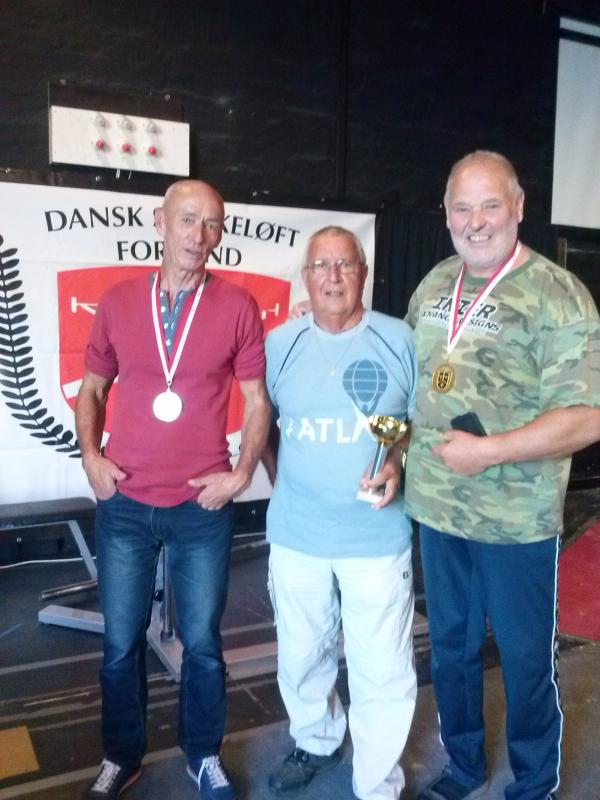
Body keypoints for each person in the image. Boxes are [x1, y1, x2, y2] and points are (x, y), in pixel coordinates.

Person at [405, 151, 600, 800]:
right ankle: (463, 768)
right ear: (446, 215)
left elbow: (587, 418)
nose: (476, 221)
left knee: (523, 657)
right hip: (438, 511)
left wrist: (489, 452)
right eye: (462, 207)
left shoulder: (557, 295)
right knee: (451, 652)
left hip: (516, 520)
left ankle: (534, 784)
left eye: (491, 205)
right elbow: (409, 383)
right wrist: (391, 462)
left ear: (518, 207)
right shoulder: (436, 283)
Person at [75, 179, 271, 800]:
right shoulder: (118, 300)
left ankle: (204, 755)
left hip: (200, 507)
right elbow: (92, 389)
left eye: (212, 223)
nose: (199, 235)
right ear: (160, 223)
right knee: (119, 643)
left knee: (204, 645)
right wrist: (90, 456)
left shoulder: (237, 305)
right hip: (126, 503)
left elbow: (258, 401)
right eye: (188, 220)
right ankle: (120, 756)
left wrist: (241, 473)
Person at [263, 226, 418, 800]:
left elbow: (409, 422)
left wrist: (395, 460)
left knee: (383, 666)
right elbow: (264, 421)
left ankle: (377, 782)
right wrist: (285, 484)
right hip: (297, 534)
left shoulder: (398, 339)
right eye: (321, 265)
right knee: (301, 655)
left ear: (364, 274)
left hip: (375, 535)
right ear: (306, 277)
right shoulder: (280, 343)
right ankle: (316, 739)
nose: (333, 277)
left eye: (345, 264)